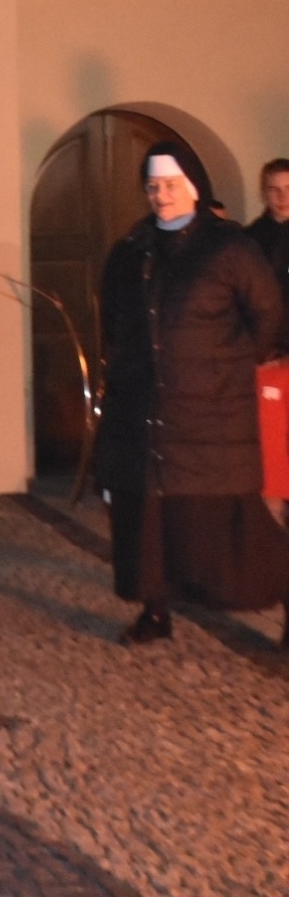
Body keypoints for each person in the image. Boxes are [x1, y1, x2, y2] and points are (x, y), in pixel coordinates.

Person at [96, 141, 289, 646]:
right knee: (153, 524)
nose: (161, 196)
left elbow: (267, 315)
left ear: (194, 188)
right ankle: (155, 612)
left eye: (171, 186)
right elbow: (113, 322)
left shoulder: (230, 248)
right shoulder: (130, 250)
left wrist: (228, 363)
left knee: (229, 529)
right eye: (152, 187)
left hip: (213, 415)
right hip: (148, 413)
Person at [245, 157, 289, 356]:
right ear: (264, 193)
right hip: (265, 340)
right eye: (274, 190)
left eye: (288, 188)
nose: (282, 197)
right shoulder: (250, 238)